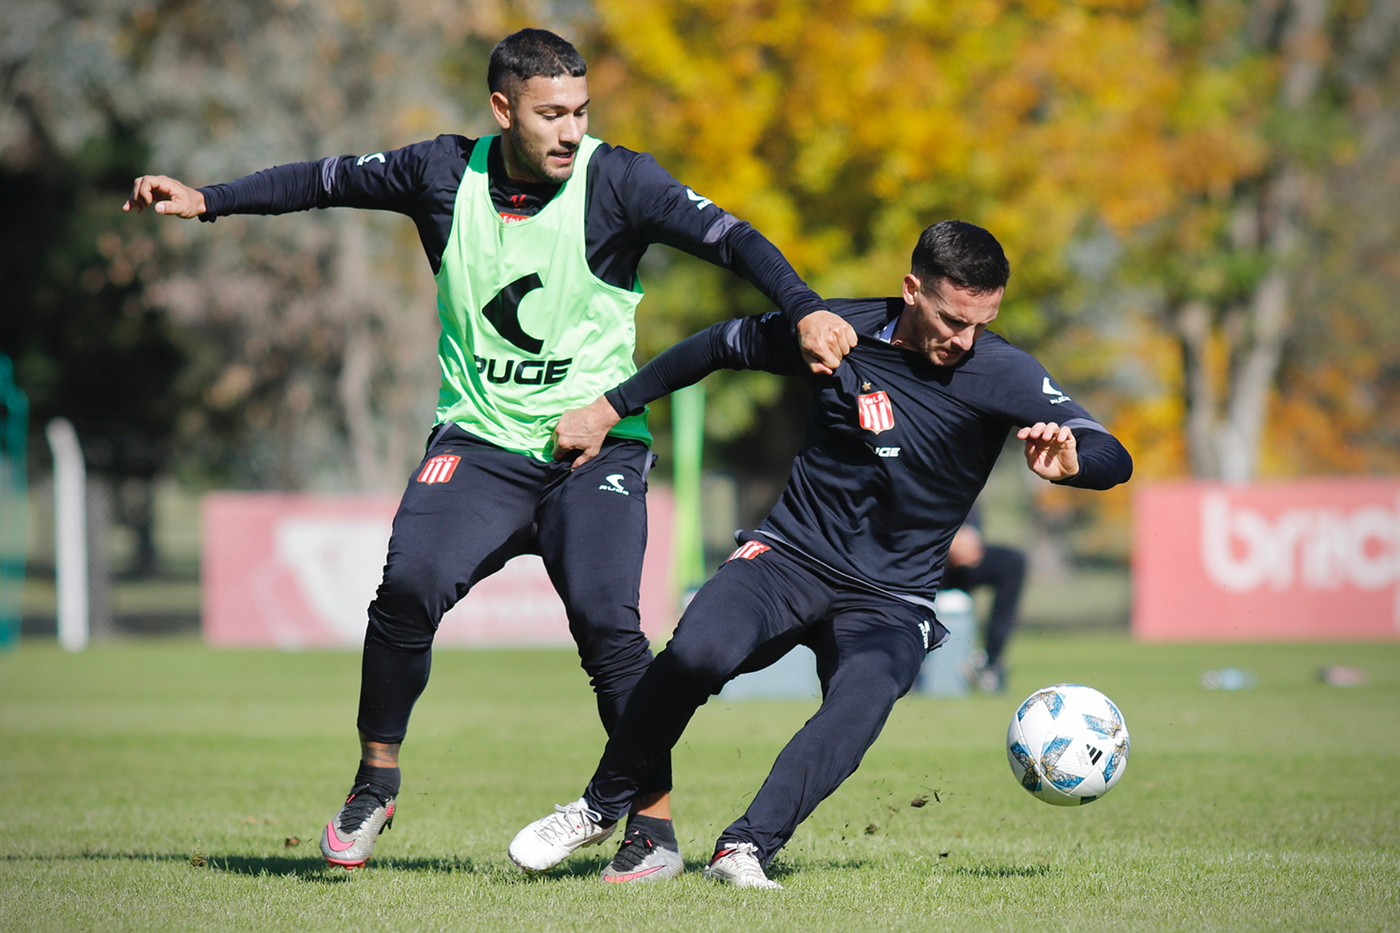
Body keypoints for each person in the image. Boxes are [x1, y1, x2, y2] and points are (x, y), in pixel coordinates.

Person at [124, 28, 856, 881]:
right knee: (406, 587)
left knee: (610, 629)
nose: (571, 130)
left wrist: (802, 306)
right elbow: (319, 181)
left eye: (581, 111)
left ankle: (651, 832)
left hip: (597, 447)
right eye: (551, 114)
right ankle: (376, 781)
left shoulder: (619, 180)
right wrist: (207, 199)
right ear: (502, 110)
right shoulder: (440, 173)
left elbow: (734, 238)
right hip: (479, 443)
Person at [509, 220, 1132, 887]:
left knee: (860, 704)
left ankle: (744, 847)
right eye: (952, 319)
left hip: (892, 599)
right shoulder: (836, 331)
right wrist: (609, 407)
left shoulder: (1000, 369)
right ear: (912, 289)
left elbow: (1108, 450)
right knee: (694, 653)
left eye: (981, 322)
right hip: (788, 558)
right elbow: (717, 345)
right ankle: (601, 805)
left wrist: (1072, 465)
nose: (964, 339)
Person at [944, 505, 1027, 694]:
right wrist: (946, 540)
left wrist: (970, 536)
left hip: (959, 560)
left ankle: (990, 662)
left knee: (1012, 563)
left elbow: (969, 503)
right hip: (921, 556)